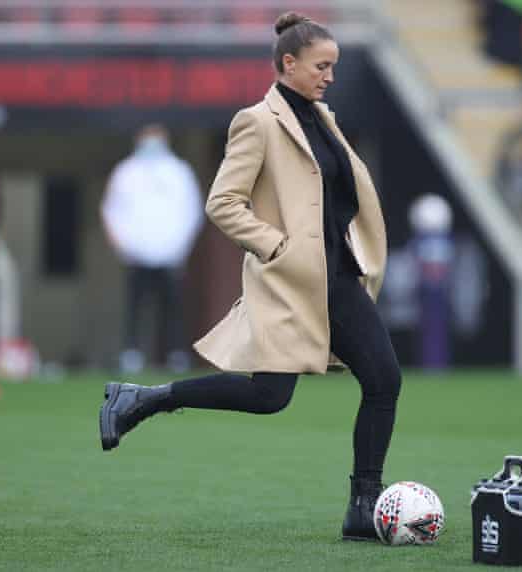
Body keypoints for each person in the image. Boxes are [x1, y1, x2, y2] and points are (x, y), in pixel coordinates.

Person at [98, 12, 401, 541]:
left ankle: (363, 505)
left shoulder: (321, 117)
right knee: (269, 397)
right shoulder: (256, 122)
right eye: (321, 65)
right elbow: (223, 203)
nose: (330, 75)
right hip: (291, 282)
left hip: (338, 278)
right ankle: (145, 399)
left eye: (333, 66)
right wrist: (277, 246)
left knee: (384, 380)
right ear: (289, 63)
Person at [101, 124, 204, 373]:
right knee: (135, 309)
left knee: (173, 309)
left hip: (170, 255)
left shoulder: (179, 172)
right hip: (136, 255)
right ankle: (132, 354)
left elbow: (192, 211)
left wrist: (180, 248)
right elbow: (110, 211)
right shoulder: (125, 172)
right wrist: (123, 247)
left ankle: (176, 354)